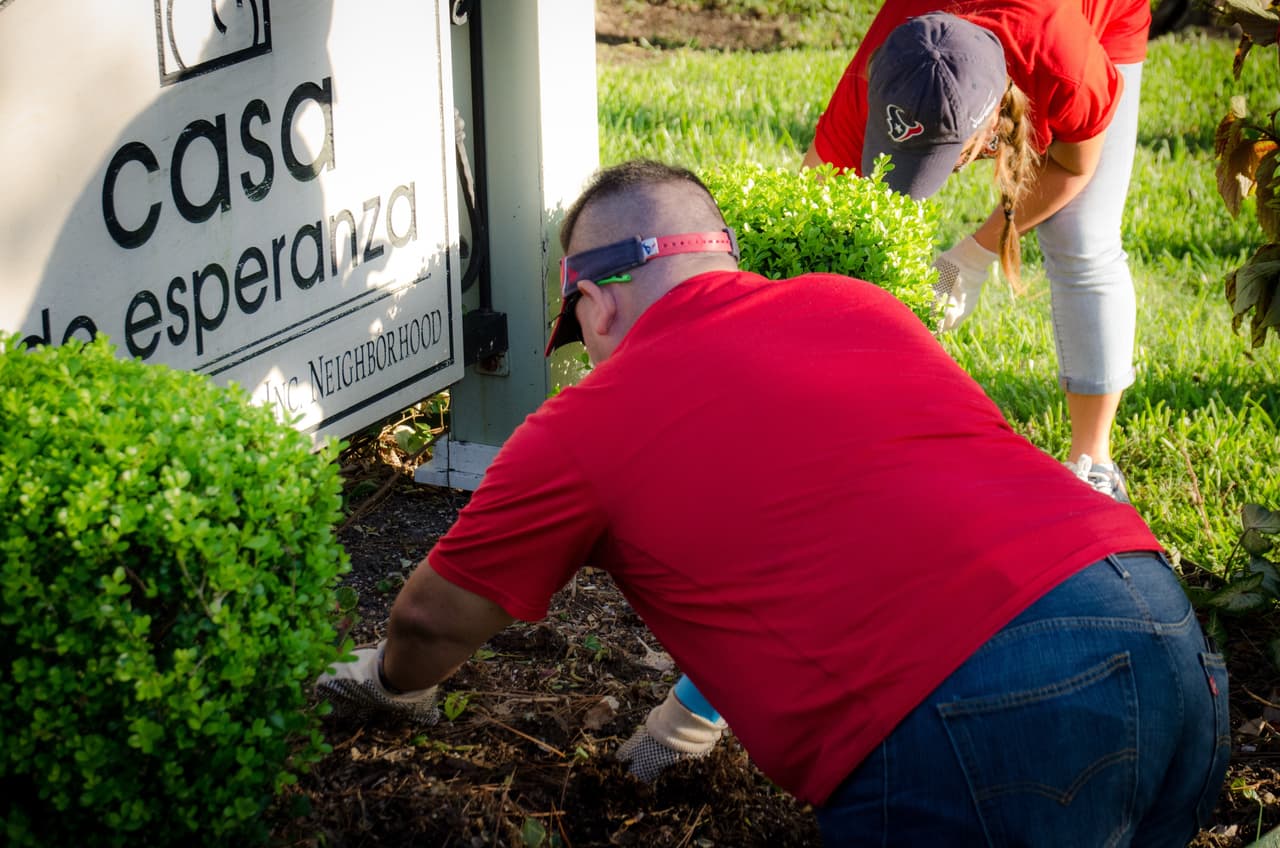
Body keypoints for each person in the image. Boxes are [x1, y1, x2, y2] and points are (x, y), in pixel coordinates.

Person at [316, 159, 1228, 845]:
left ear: (594, 305)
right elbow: (859, 529)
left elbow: (432, 622)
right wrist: (688, 718)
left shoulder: (583, 425)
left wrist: (386, 687)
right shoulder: (855, 306)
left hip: (976, 724)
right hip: (1154, 625)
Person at [802, 2, 1152, 502]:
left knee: (1081, 239)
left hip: (1092, 20)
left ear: (992, 126)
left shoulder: (1064, 66)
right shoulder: (888, 64)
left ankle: (1094, 461)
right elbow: (819, 200)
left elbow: (1073, 168)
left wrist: (972, 256)